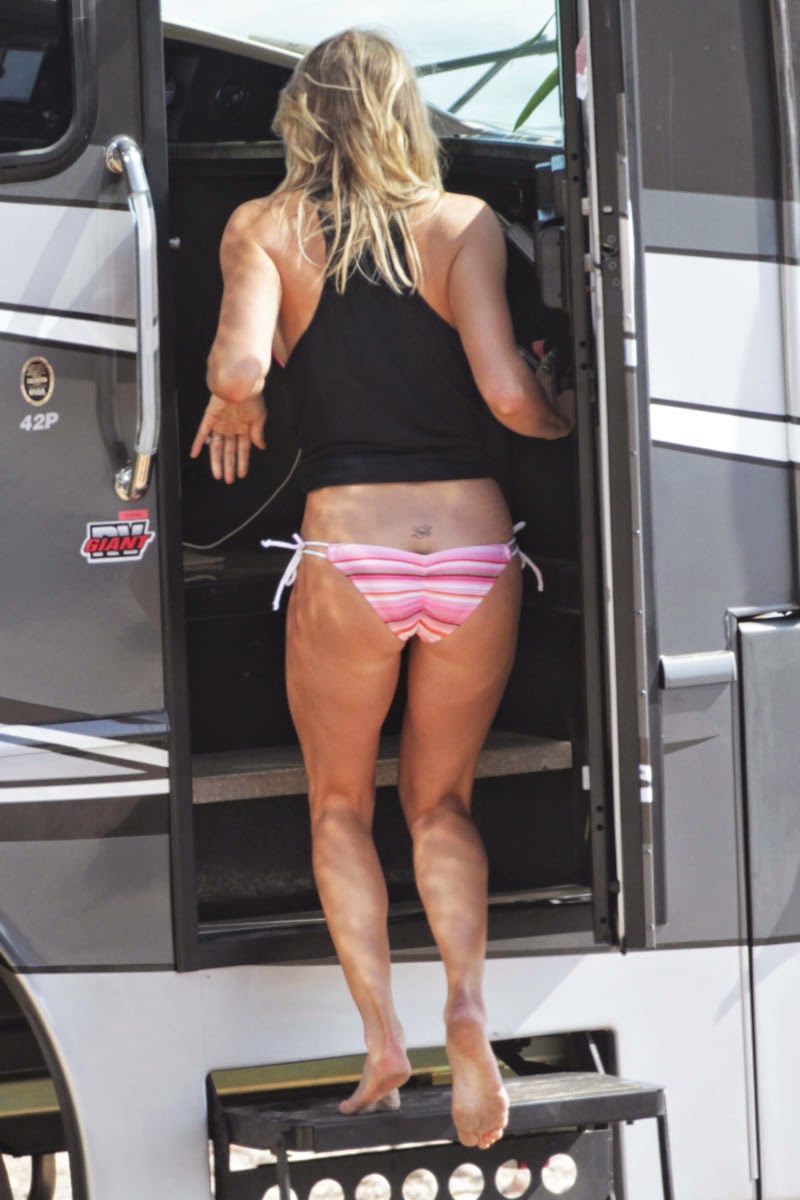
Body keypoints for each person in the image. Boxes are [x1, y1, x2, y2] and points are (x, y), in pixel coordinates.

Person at [190, 29, 574, 1150]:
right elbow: (505, 396)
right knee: (441, 803)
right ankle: (468, 1007)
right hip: (470, 550)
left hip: (350, 555)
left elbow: (236, 367)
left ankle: (383, 1041)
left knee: (339, 805)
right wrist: (561, 423)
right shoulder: (462, 224)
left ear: (299, 117)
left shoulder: (262, 227)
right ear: (406, 113)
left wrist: (238, 397)